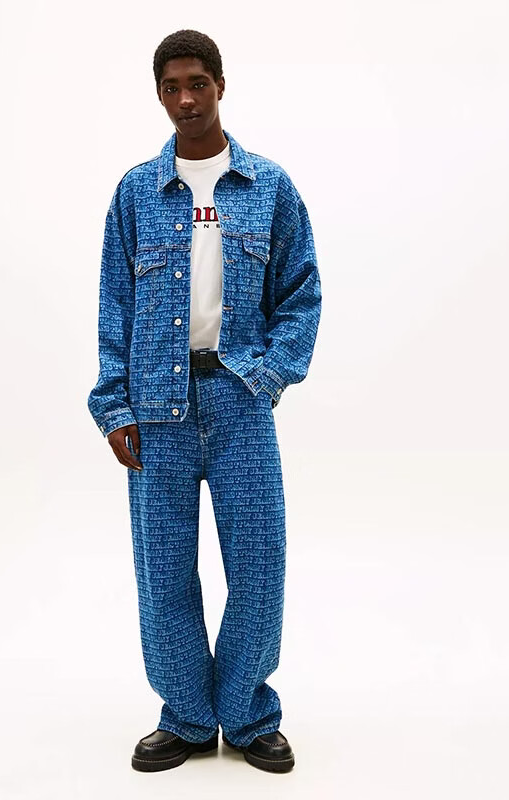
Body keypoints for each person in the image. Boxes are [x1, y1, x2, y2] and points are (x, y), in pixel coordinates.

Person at [87, 29, 322, 773]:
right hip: (155, 408)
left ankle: (248, 715)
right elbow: (115, 304)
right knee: (164, 570)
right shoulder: (135, 193)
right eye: (171, 87)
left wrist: (269, 375)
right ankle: (187, 717)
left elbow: (302, 293)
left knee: (259, 563)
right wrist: (114, 407)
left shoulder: (270, 188)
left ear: (221, 84)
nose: (185, 99)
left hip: (239, 401)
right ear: (159, 95)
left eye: (197, 83)